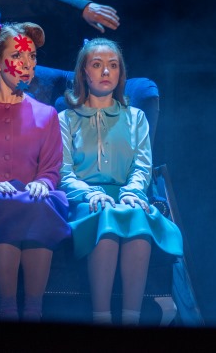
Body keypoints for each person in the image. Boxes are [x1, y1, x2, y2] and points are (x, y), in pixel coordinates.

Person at [58, 38, 183, 325]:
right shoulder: (66, 118)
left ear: (120, 73)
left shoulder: (135, 117)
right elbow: (63, 172)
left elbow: (143, 165)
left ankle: (131, 319)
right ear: (84, 72)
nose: (106, 72)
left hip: (126, 195)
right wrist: (89, 194)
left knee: (135, 214)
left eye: (113, 66)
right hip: (84, 201)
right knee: (104, 214)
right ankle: (101, 317)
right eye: (97, 65)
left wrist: (132, 192)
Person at [0, 16, 70, 321]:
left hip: (33, 201)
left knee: (38, 204)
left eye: (32, 56)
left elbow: (51, 169)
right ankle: (6, 309)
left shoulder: (47, 114)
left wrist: (43, 184)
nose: (27, 64)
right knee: (7, 203)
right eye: (17, 55)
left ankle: (34, 311)